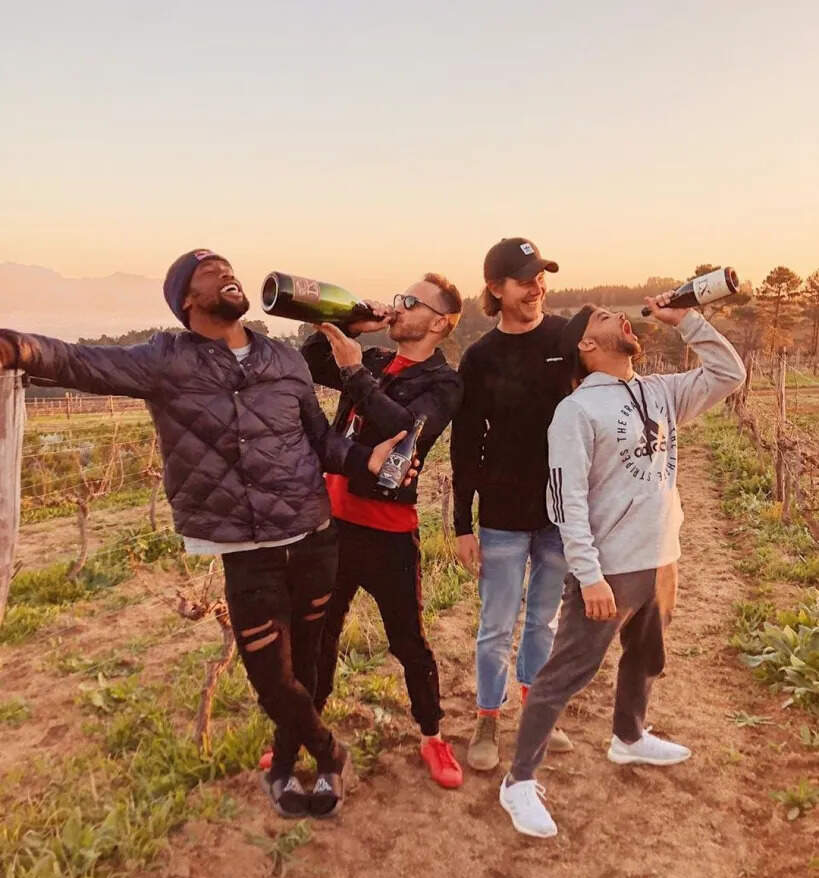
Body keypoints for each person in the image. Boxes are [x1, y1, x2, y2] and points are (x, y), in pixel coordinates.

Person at [0, 249, 407, 820]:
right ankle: (329, 752)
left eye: (228, 266)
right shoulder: (165, 360)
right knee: (272, 679)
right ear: (186, 300)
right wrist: (15, 347)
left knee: (309, 664)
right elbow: (78, 361)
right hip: (247, 550)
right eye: (209, 271)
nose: (226, 273)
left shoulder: (283, 360)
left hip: (313, 536)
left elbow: (319, 441)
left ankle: (286, 764)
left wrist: (365, 461)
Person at [499, 293, 746, 838]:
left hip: (661, 558)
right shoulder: (576, 412)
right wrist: (589, 575)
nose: (622, 318)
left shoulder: (659, 392)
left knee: (647, 654)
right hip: (609, 570)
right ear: (588, 344)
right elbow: (566, 501)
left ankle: (629, 737)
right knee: (565, 675)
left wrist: (689, 320)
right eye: (605, 317)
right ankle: (518, 781)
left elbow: (730, 373)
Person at [302, 273, 466, 788]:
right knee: (320, 633)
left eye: (411, 302)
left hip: (389, 533)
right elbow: (311, 361)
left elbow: (406, 430)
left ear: (439, 323)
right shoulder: (373, 359)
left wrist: (355, 373)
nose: (399, 306)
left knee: (408, 641)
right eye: (400, 298)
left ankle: (432, 735)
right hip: (333, 523)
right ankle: (308, 730)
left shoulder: (444, 383)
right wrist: (350, 325)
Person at [450, 237, 574, 772]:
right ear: (495, 289)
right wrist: (462, 524)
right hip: (501, 515)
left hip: (560, 513)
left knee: (544, 622)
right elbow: (464, 444)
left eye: (540, 277)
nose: (536, 287)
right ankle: (487, 718)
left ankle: (537, 711)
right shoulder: (480, 358)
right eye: (525, 280)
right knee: (497, 626)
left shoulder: (566, 339)